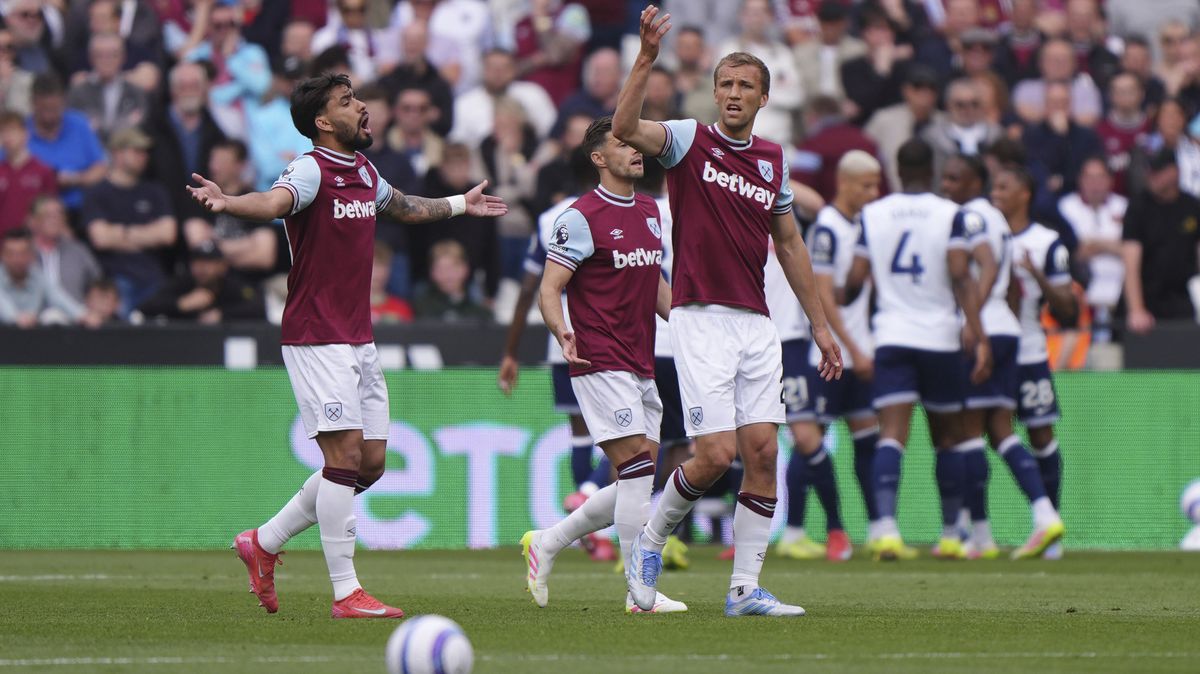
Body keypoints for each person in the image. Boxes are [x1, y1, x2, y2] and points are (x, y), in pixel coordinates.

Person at [186, 71, 506, 618]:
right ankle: (345, 591)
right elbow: (273, 202)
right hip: (316, 335)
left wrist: (458, 204)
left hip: (357, 336)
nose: (362, 108)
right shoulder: (311, 169)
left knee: (371, 465)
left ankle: (262, 542)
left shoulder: (363, 170)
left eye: (356, 98)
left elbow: (402, 206)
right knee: (344, 459)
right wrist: (228, 202)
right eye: (347, 101)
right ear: (322, 121)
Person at [613, 6, 841, 617]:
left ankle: (743, 589)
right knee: (715, 455)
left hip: (758, 323)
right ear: (714, 92)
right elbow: (626, 125)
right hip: (700, 318)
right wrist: (645, 57)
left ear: (765, 97)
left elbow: (788, 242)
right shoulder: (688, 139)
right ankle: (649, 543)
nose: (733, 94)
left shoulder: (772, 159)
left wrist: (820, 325)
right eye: (725, 85)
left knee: (764, 452)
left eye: (745, 86)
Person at [521, 116, 686, 614]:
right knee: (636, 464)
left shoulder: (653, 212)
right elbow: (550, 288)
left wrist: (690, 323)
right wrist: (561, 331)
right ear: (598, 158)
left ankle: (547, 543)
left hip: (641, 359)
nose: (637, 149)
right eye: (623, 143)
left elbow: (654, 283)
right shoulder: (578, 217)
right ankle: (640, 592)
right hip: (598, 357)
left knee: (636, 478)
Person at [842, 138, 991, 562]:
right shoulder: (951, 215)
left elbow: (855, 279)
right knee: (949, 437)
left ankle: (887, 530)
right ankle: (950, 535)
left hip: (892, 334)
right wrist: (977, 334)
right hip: (940, 337)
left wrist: (841, 292)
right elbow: (962, 276)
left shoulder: (872, 215)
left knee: (892, 432)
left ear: (896, 169)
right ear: (933, 167)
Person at [940, 155, 1066, 561]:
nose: (946, 186)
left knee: (972, 432)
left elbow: (987, 267)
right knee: (998, 430)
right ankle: (1019, 523)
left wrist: (975, 321)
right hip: (1008, 331)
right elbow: (1010, 282)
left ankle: (987, 533)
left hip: (987, 330)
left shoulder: (972, 216)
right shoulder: (997, 222)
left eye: (953, 178)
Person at [497, 147, 620, 564]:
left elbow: (531, 288)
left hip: (561, 339)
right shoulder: (625, 210)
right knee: (635, 439)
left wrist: (511, 352)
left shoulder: (552, 218)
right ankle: (590, 504)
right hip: (613, 340)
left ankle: (592, 529)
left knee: (582, 433)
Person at [776, 151, 882, 563]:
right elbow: (822, 292)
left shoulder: (857, 224)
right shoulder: (826, 229)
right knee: (806, 439)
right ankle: (810, 529)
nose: (874, 194)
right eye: (867, 185)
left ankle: (876, 527)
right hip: (801, 344)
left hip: (844, 349)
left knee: (862, 440)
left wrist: (771, 164)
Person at [993, 164, 1076, 560]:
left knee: (1040, 435)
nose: (996, 192)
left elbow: (1069, 310)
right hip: (993, 351)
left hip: (1029, 351)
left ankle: (1050, 527)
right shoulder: (986, 232)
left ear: (1025, 193)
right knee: (988, 433)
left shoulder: (1047, 243)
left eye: (1004, 185)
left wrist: (1037, 275)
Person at [83, 128, 178, 317]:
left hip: (152, 276)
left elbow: (168, 235)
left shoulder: (154, 192)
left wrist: (122, 233)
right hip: (115, 279)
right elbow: (101, 238)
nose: (143, 157)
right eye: (136, 151)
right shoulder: (98, 193)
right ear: (116, 153)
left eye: (144, 152)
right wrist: (148, 234)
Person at [1122, 149, 1200, 333]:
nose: (1152, 176)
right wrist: (1136, 309)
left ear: (1174, 172)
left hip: (1183, 296)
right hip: (1148, 295)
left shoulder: (1192, 206)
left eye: (1158, 171)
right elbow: (1130, 262)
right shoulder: (1138, 207)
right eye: (1150, 171)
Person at [138, 240, 263, 323]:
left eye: (208, 263)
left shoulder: (231, 285)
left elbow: (257, 307)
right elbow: (146, 307)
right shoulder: (184, 282)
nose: (201, 268)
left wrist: (221, 314)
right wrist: (181, 304)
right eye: (197, 262)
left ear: (222, 266)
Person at [0, 228, 91, 327]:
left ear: (32, 255)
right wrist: (16, 317)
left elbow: (59, 298)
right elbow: (4, 307)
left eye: (22, 253)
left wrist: (84, 315)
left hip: (30, 337)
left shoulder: (39, 276)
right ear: (2, 255)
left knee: (53, 316)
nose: (16, 259)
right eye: (11, 254)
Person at [28, 195, 102, 304]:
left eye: (60, 214)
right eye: (49, 215)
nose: (55, 220)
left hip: (74, 317)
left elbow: (98, 284)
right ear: (33, 220)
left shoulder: (79, 251)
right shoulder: (21, 252)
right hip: (30, 317)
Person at [0, 110, 57, 234]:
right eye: (3, 131)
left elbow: (51, 209)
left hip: (32, 243)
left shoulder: (42, 171)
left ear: (25, 134)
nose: (6, 136)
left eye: (12, 130)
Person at [411, 239, 492, 322]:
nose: (447, 275)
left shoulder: (481, 313)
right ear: (432, 272)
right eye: (441, 269)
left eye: (453, 268)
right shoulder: (419, 309)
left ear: (465, 269)